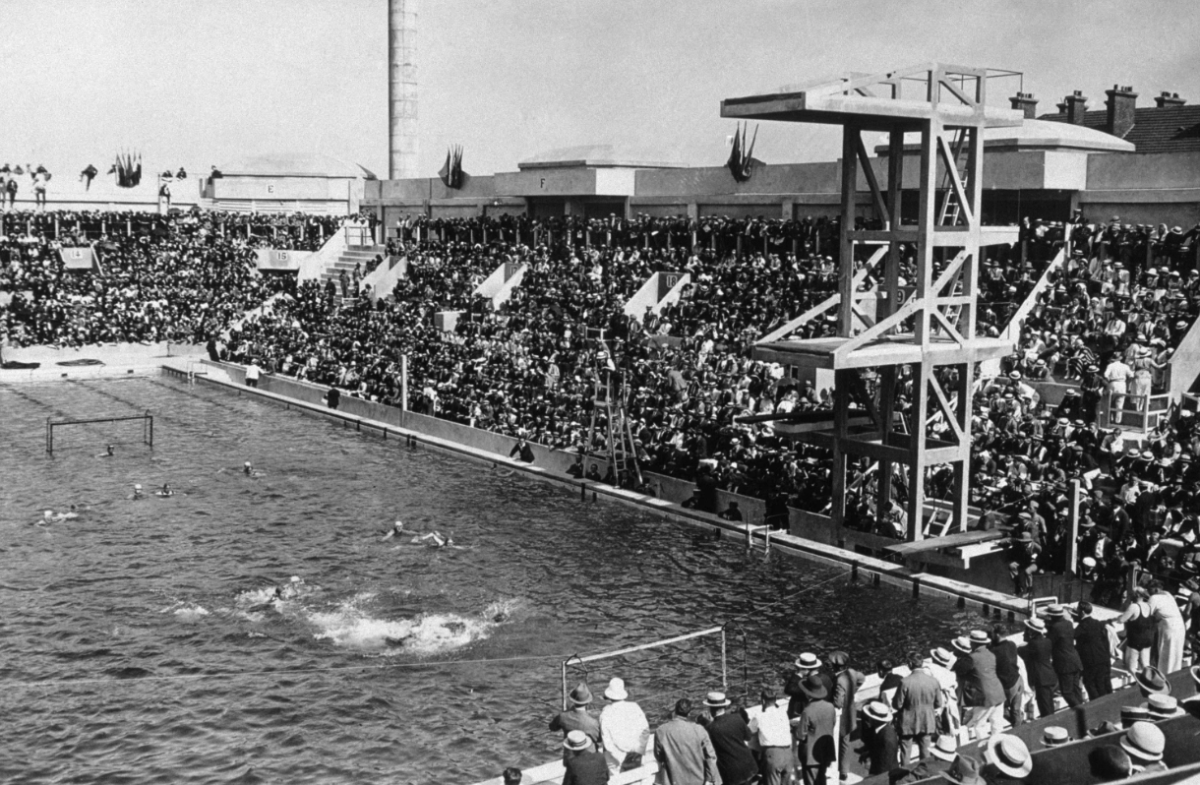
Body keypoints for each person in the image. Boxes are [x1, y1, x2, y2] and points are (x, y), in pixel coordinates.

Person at [654, 698, 721, 785]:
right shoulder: (699, 730)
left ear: (675, 711)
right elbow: (711, 757)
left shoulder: (661, 731)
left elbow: (659, 756)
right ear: (689, 713)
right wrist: (709, 780)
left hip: (675, 780)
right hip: (700, 780)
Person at [893, 650, 943, 762]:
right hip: (927, 720)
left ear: (910, 664)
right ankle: (925, 774)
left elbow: (897, 705)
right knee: (926, 752)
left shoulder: (904, 682)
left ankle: (904, 774)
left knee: (905, 752)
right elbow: (939, 703)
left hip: (907, 722)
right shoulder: (933, 681)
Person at [598, 677, 649, 776]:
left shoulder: (605, 714)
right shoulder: (634, 707)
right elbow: (645, 731)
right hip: (635, 756)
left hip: (616, 762)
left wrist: (620, 759)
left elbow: (607, 743)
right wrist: (636, 753)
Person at [704, 691, 756, 785]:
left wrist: (707, 723)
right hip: (748, 765)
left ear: (711, 709)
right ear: (724, 706)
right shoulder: (737, 718)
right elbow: (748, 736)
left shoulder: (710, 729)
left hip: (730, 772)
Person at [793, 674, 835, 785]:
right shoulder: (830, 707)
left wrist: (795, 728)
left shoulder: (807, 710)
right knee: (822, 778)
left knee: (811, 781)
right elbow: (832, 724)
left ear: (807, 693)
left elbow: (801, 735)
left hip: (810, 754)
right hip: (826, 750)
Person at [828, 650, 862, 783]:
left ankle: (835, 772)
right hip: (851, 713)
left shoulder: (840, 680)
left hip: (840, 717)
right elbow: (861, 679)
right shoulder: (852, 673)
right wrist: (853, 692)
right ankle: (844, 772)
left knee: (836, 743)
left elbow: (838, 702)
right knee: (845, 744)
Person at [747, 686, 791, 785]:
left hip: (773, 754)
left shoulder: (759, 716)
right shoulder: (783, 713)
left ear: (763, 701)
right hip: (788, 753)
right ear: (776, 700)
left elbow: (748, 731)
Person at [966, 629, 1006, 737]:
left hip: (984, 696)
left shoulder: (972, 657)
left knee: (979, 726)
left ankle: (983, 749)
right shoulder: (991, 655)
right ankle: (998, 746)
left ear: (974, 643)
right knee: (997, 724)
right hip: (998, 693)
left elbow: (962, 670)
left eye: (971, 642)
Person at [1044, 605, 1084, 708]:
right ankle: (1083, 709)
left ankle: (1080, 711)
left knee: (1067, 692)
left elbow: (1049, 643)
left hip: (1064, 664)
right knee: (1076, 689)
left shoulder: (1055, 627)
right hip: (1075, 660)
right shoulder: (1069, 623)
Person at [551, 684, 602, 763]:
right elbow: (599, 739)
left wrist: (565, 713)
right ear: (587, 703)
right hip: (590, 758)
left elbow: (552, 727)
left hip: (570, 757)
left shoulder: (562, 716)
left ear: (573, 700)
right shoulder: (592, 722)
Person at [1073, 601, 1113, 701]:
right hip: (1103, 659)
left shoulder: (1081, 628)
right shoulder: (1099, 624)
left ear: (1081, 612)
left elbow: (1076, 644)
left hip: (1090, 662)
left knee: (1091, 686)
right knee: (1102, 686)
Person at [1018, 617, 1057, 719]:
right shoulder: (1047, 641)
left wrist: (1026, 639)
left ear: (1031, 630)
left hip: (1041, 678)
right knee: (1048, 702)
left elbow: (1021, 652)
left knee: (1044, 705)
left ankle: (1049, 723)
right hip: (1049, 674)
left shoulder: (1033, 644)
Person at [1145, 580, 1186, 674]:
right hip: (1179, 625)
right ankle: (1174, 674)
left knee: (1166, 653)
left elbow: (1147, 613)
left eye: (1149, 590)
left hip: (1169, 628)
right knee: (1175, 654)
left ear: (1155, 589)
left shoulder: (1154, 598)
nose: (1148, 592)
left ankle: (1164, 675)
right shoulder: (1168, 594)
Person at [1113, 586, 1156, 672]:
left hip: (1135, 641)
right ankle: (1147, 681)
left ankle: (1135, 680)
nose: (1130, 596)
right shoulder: (1149, 606)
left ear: (1136, 595)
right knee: (1145, 665)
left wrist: (1116, 618)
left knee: (1131, 667)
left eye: (1131, 594)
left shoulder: (1133, 606)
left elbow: (1122, 620)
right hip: (1147, 640)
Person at [989, 625, 1023, 729]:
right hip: (1018, 680)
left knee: (998, 708)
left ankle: (1017, 723)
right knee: (1016, 709)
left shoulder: (994, 651)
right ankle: (1019, 727)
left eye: (992, 634)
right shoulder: (1012, 644)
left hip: (1008, 685)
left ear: (997, 634)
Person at [858, 701, 899, 778]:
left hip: (886, 776)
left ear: (875, 720)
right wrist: (868, 753)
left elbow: (886, 765)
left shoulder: (887, 739)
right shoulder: (878, 730)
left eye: (870, 717)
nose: (868, 718)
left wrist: (874, 778)